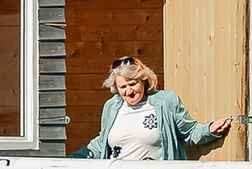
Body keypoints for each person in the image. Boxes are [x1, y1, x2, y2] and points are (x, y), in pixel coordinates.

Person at [74, 56, 231, 161]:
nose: (128, 91)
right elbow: (102, 143)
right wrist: (71, 159)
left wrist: (210, 129)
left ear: (144, 81)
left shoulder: (165, 102)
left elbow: (189, 132)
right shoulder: (111, 106)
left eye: (133, 84)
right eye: (122, 87)